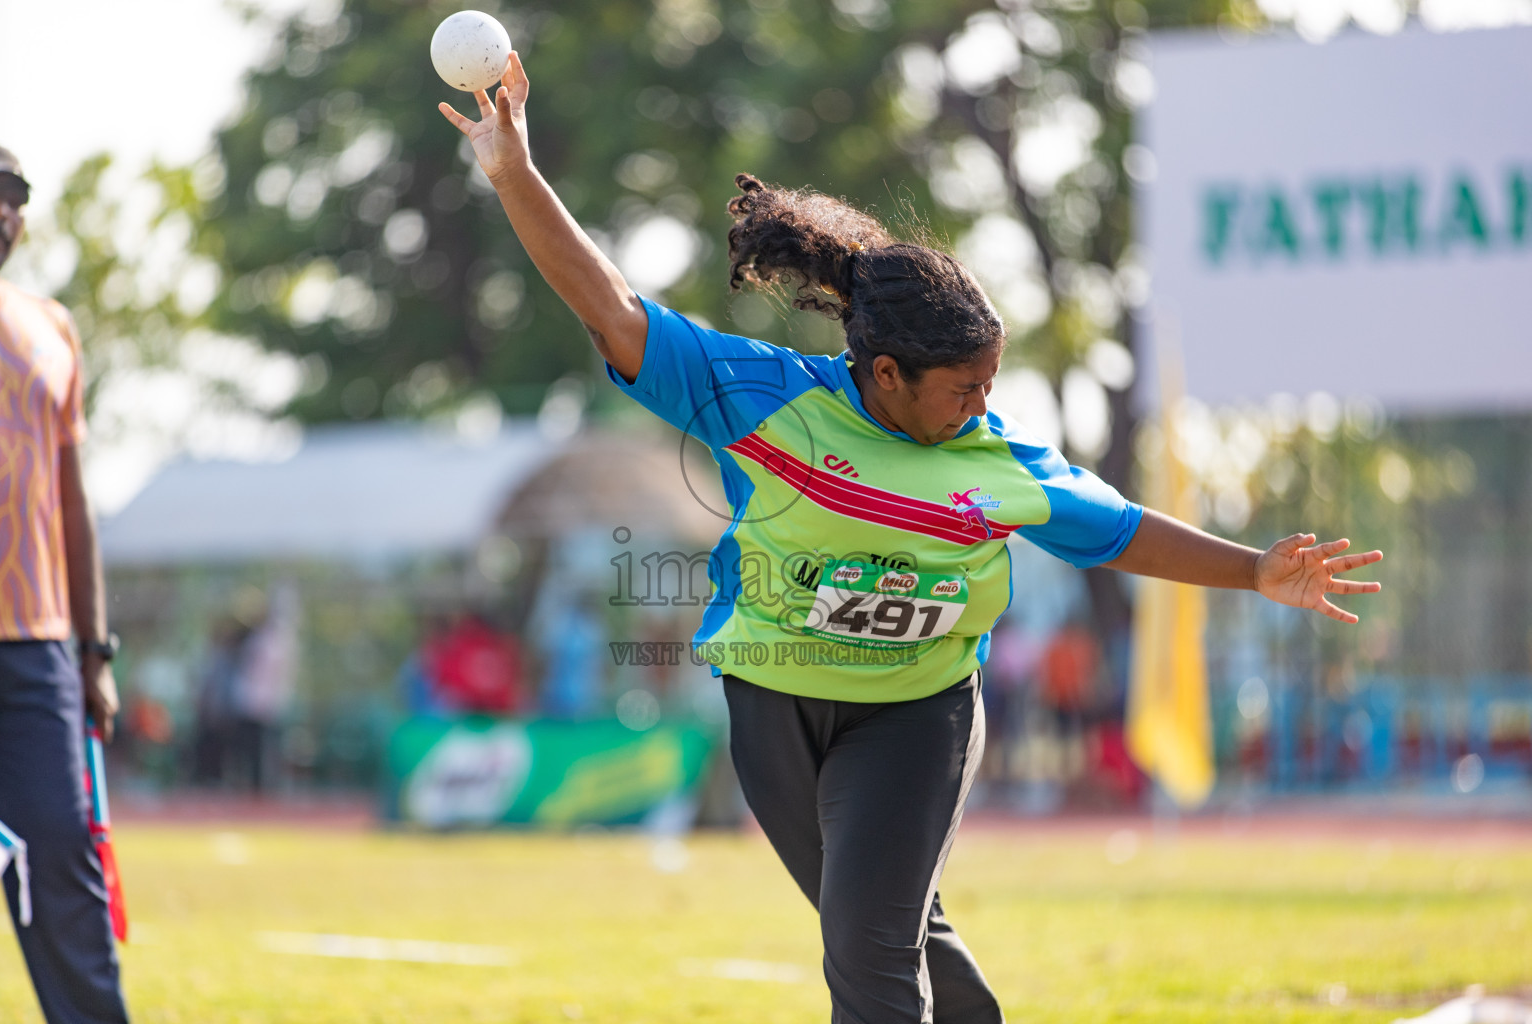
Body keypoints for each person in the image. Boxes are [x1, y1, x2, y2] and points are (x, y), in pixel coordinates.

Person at [439, 61, 1383, 1023]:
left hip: (917, 712)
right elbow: (609, 306)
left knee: (868, 948)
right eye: (963, 389)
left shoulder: (1002, 460)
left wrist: (1257, 571)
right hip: (775, 709)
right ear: (885, 372)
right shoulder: (761, 398)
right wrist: (513, 172)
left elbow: (1122, 533)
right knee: (894, 931)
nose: (983, 405)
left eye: (989, 383)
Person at [0, 145, 131, 1023]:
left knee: (61, 863)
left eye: (12, 198)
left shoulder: (51, 326)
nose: (1, 212)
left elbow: (73, 502)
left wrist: (94, 650)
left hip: (37, 650)